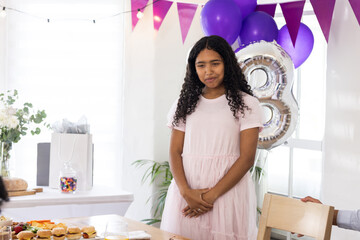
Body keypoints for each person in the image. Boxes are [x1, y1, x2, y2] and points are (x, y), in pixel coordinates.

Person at [160, 35, 263, 240]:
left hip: (226, 194)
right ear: (193, 68)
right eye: (201, 65)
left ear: (227, 64)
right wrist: (186, 192)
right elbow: (174, 151)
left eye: (215, 63)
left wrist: (210, 196)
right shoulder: (185, 104)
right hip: (187, 193)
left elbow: (247, 159)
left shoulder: (248, 104)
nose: (208, 71)